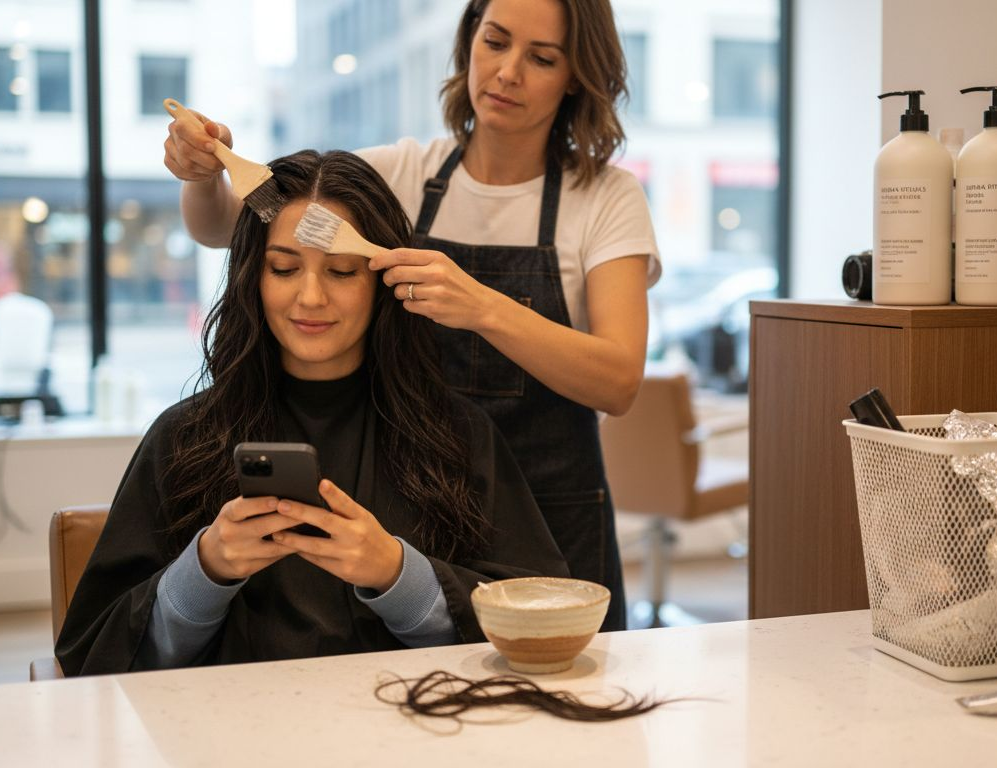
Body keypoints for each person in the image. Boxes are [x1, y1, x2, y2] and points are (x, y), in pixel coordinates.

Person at [165, 0, 659, 631]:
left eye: (541, 58)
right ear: (468, 41)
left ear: (577, 76)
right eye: (495, 42)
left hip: (552, 505)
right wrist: (205, 176)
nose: (507, 72)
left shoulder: (606, 198)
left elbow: (617, 380)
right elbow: (231, 227)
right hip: (424, 501)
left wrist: (482, 306)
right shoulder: (403, 173)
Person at [56, 150, 568, 676]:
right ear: (253, 277)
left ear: (381, 282)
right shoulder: (184, 437)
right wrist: (206, 568)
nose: (310, 296)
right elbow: (97, 657)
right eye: (283, 267)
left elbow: (536, 626)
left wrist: (397, 575)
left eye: (342, 271)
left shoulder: (456, 435)